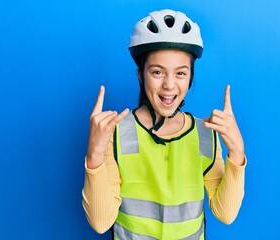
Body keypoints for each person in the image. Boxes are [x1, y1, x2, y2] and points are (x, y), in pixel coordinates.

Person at [82, 9, 246, 239]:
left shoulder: (205, 134)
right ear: (141, 75)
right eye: (157, 72)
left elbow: (226, 213)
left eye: (180, 73)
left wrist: (237, 152)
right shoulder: (116, 133)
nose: (169, 85)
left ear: (190, 77)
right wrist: (94, 156)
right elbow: (100, 223)